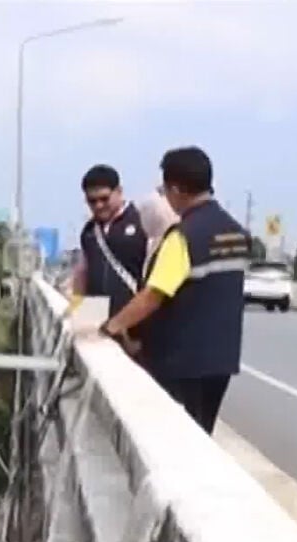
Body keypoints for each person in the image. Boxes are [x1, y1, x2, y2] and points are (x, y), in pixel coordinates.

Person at [97, 146, 249, 434]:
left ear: (177, 190)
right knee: (201, 434)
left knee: (173, 436)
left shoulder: (185, 236)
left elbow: (154, 294)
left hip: (182, 361)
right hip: (222, 360)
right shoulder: (238, 234)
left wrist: (112, 327)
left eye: (164, 190)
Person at [70, 165, 149, 318]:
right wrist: (77, 312)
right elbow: (82, 273)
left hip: (136, 323)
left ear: (119, 191)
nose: (99, 205)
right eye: (92, 201)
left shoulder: (142, 222)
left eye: (104, 199)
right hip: (97, 320)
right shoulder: (89, 232)